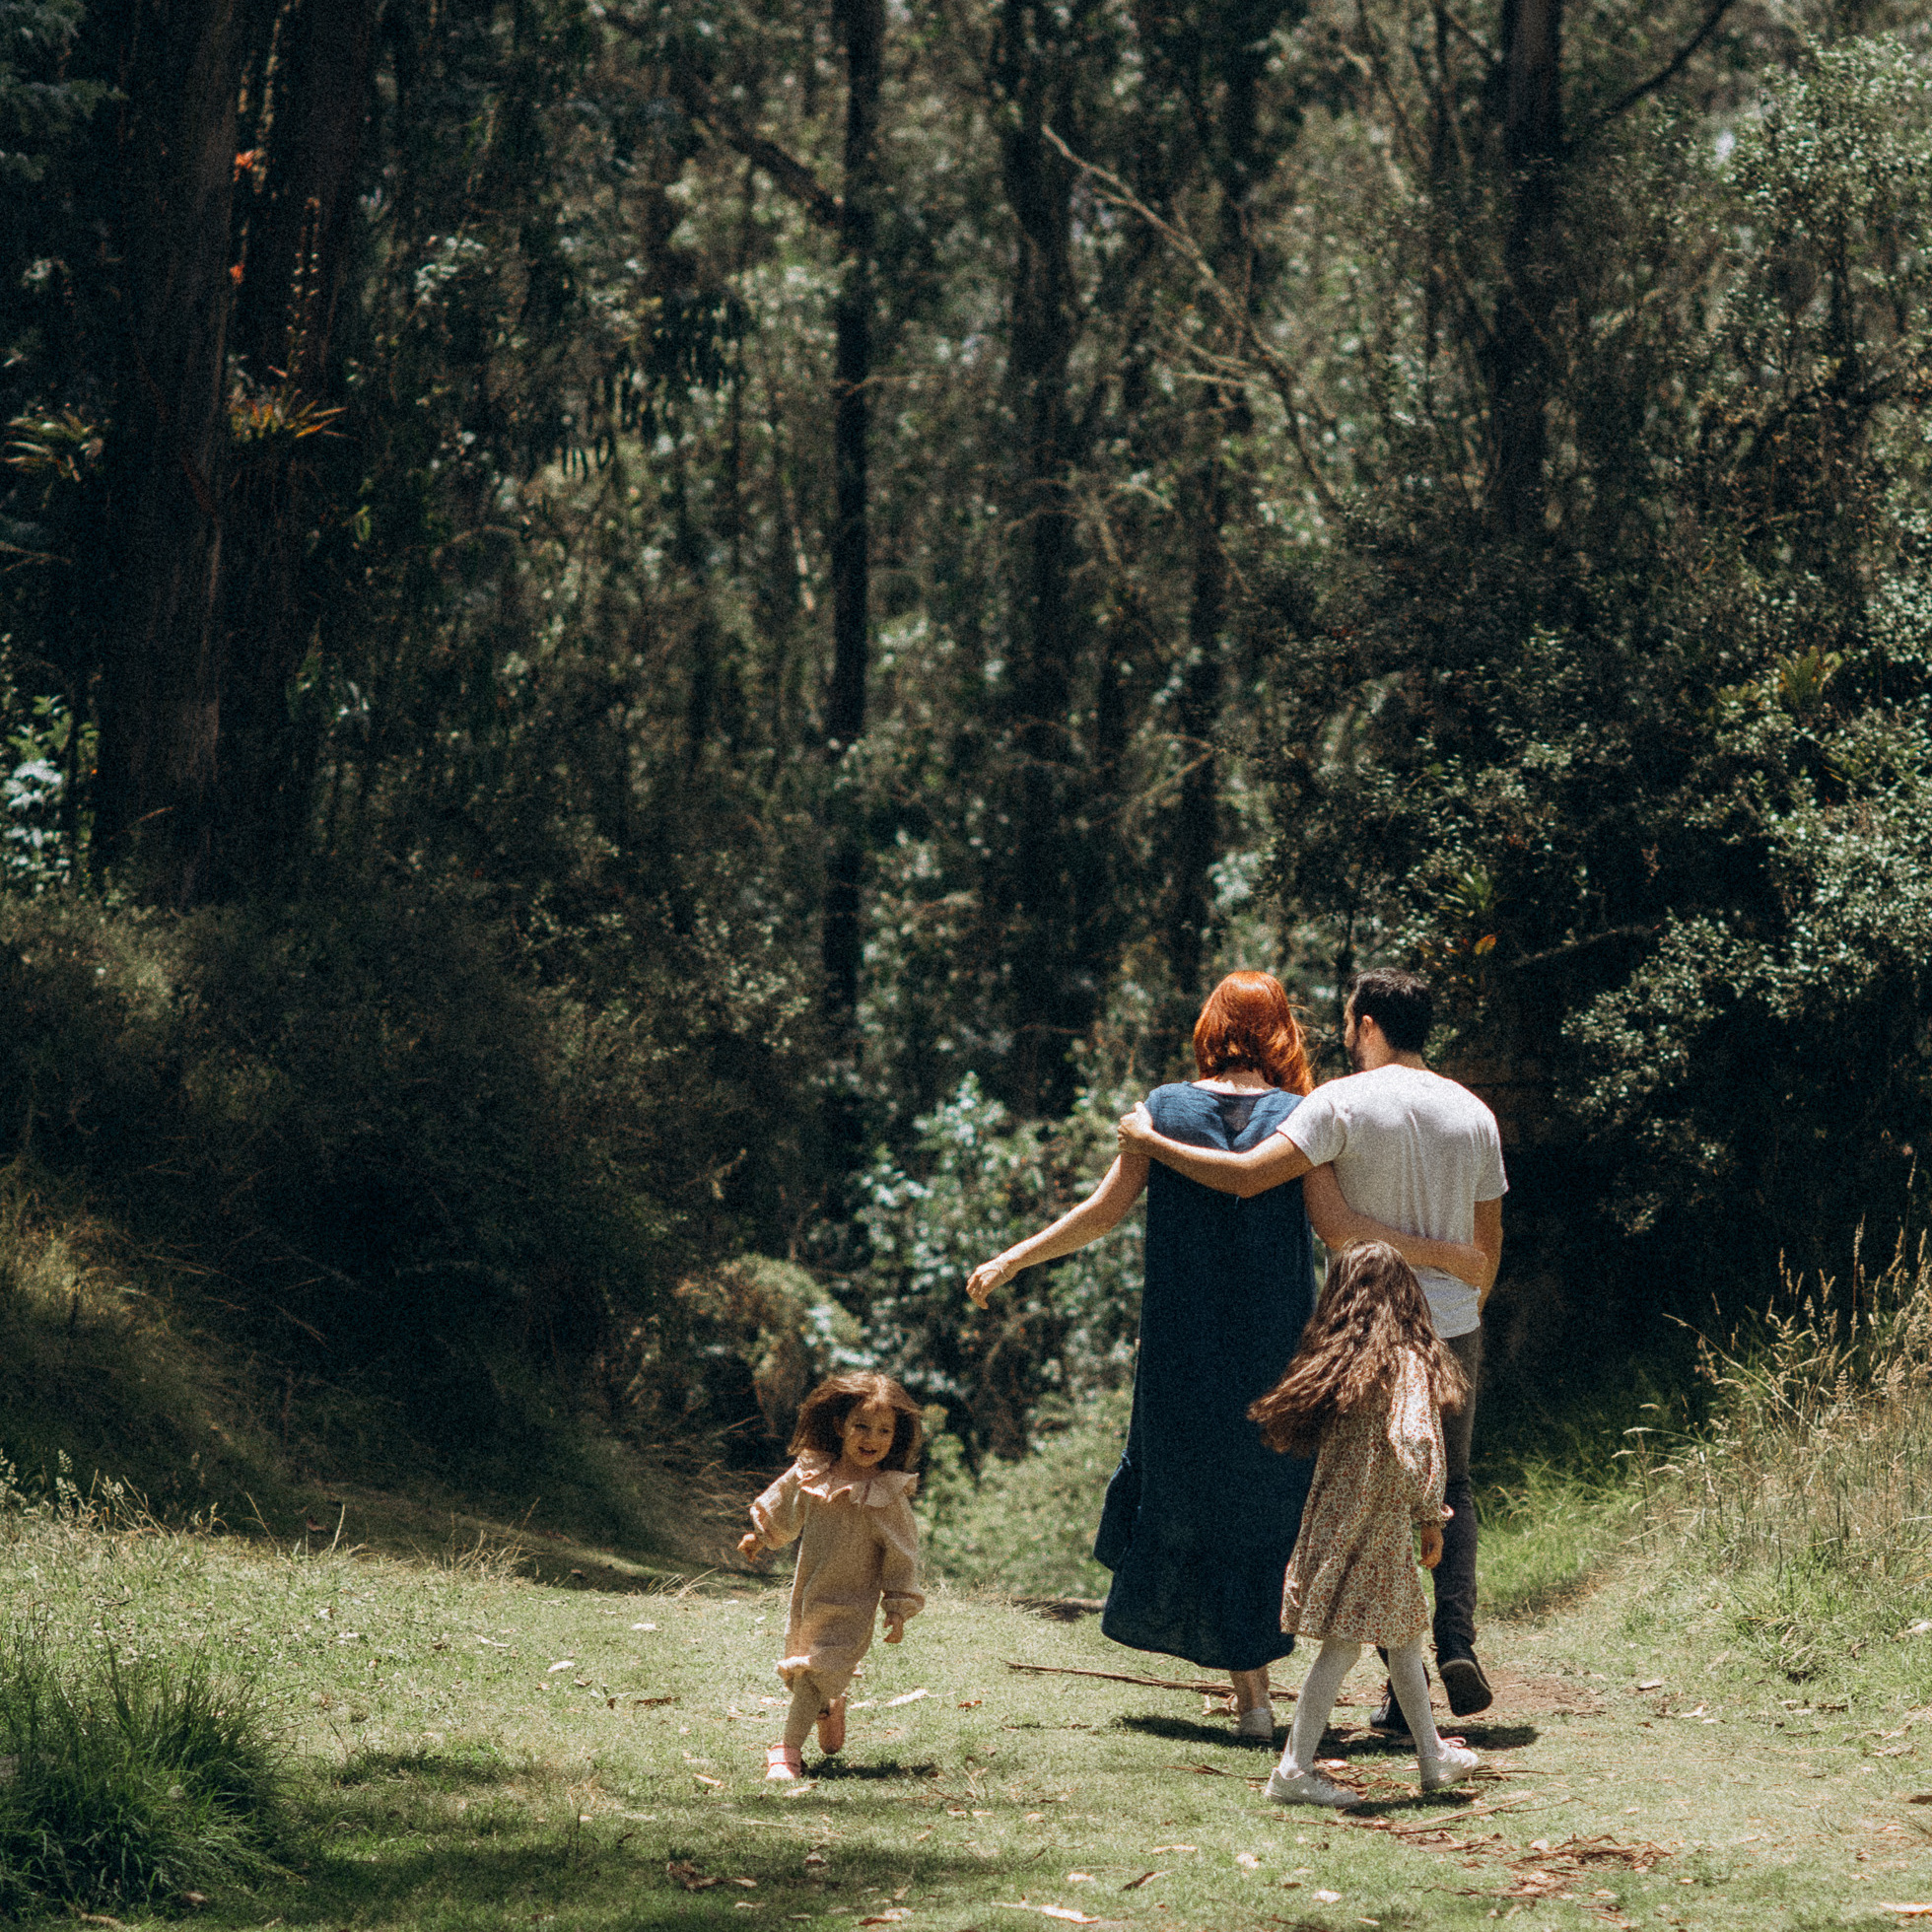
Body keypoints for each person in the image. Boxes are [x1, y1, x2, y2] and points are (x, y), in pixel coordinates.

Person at [966, 972, 1453, 1741]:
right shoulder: (1305, 1116)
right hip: (1279, 1349)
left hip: (1182, 1345)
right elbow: (1338, 1228)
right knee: (1272, 1506)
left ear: (1211, 1027)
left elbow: (1102, 1213)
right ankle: (1378, 1684)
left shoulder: (1164, 1110)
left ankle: (1255, 1701)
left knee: (1201, 1502)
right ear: (1284, 1032)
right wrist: (1443, 1262)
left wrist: (1012, 1260)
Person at [1117, 967, 1506, 1725]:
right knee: (1449, 1486)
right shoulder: (1475, 1113)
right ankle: (1454, 1640)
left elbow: (1303, 1211)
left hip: (1368, 1325)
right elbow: (1485, 1251)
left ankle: (1395, 1688)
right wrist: (1454, 1277)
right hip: (1457, 1325)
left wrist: (1150, 1141)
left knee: (1374, 1494)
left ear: (1366, 1024)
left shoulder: (1339, 1103)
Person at [1248, 1241, 1479, 1806]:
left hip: (1337, 1519)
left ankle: (1432, 1758)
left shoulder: (1341, 1360)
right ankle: (1294, 1770)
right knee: (1346, 1645)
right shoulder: (1407, 1361)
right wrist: (1431, 1515)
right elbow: (1416, 1438)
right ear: (1407, 1293)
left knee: (1402, 1639)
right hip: (1378, 1525)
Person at [738, 1371, 925, 1780]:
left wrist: (897, 1606)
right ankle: (826, 1706)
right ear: (840, 1426)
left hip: (852, 1604)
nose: (871, 1438)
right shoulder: (813, 1473)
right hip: (809, 1596)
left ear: (895, 1438)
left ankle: (785, 1752)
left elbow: (902, 1553)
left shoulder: (886, 1496)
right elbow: (785, 1506)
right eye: (861, 1426)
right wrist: (761, 1535)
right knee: (805, 1672)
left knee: (819, 1666)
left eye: (884, 1431)